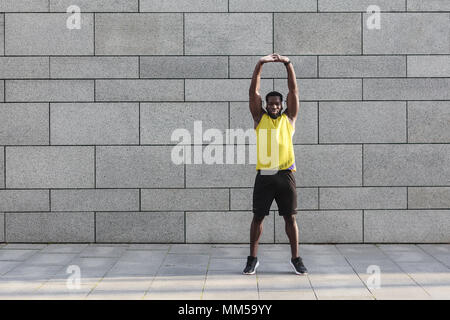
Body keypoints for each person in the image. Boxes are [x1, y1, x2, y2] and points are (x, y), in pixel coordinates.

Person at [243, 53, 308, 275]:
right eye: (270, 104)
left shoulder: (288, 119)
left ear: (281, 105)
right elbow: (254, 92)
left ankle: (296, 258)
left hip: (286, 173)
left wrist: (288, 64)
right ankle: (252, 259)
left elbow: (294, 92)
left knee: (290, 218)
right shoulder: (259, 118)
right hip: (265, 173)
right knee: (258, 217)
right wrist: (260, 64)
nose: (273, 106)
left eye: (276, 104)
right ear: (266, 105)